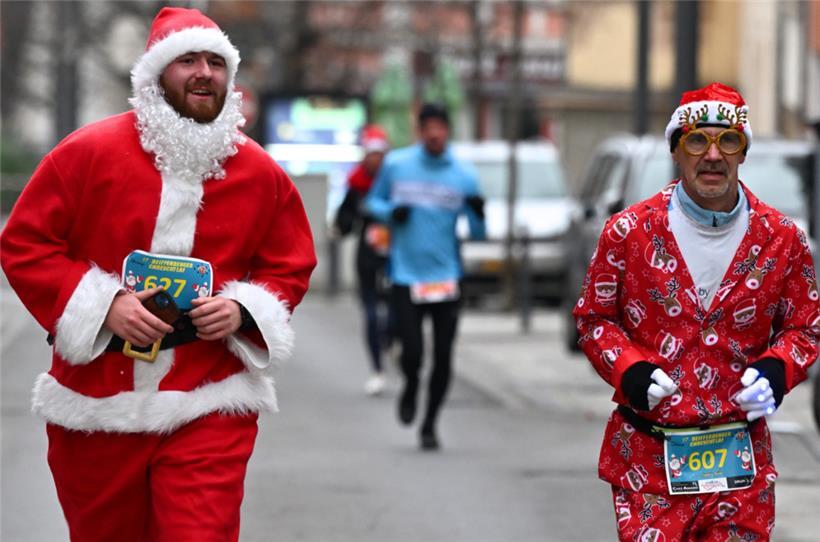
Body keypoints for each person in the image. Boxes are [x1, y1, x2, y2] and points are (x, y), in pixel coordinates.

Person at [0, 7, 316, 541]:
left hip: (210, 400)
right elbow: (26, 242)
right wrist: (104, 306)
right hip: (96, 407)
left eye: (216, 62)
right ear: (154, 74)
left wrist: (244, 309)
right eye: (187, 60)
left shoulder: (261, 173)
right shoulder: (85, 154)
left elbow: (289, 264)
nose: (204, 73)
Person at [574, 82, 818, 540]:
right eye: (697, 140)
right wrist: (630, 371)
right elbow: (593, 319)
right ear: (676, 150)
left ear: (742, 152)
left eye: (728, 140)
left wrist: (775, 370)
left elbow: (805, 326)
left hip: (738, 463)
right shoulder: (627, 233)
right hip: (649, 462)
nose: (712, 155)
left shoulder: (782, 239)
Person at [365, 103, 486, 450]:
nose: (434, 134)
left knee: (444, 356)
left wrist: (478, 213)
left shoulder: (463, 175)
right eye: (428, 127)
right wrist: (391, 212)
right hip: (406, 275)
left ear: (447, 132)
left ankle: (430, 423)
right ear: (420, 132)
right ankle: (410, 386)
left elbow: (477, 232)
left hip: (447, 277)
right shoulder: (397, 165)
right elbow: (372, 203)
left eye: (440, 127)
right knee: (413, 352)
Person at [334, 125, 394, 396]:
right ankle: (377, 369)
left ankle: (390, 342)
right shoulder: (356, 184)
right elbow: (343, 222)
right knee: (370, 313)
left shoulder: (397, 182)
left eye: (380, 154)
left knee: (395, 313)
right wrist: (353, 218)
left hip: (397, 257)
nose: (375, 160)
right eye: (371, 154)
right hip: (367, 258)